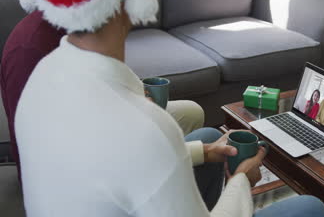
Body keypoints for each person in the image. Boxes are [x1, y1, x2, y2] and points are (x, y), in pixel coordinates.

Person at [14, 0, 324, 217]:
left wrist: (201, 152)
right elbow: (133, 152)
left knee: (209, 139)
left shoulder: (42, 75)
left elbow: (106, 163)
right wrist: (241, 182)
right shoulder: (144, 128)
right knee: (311, 212)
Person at [0, 11, 204, 183]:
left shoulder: (79, 24)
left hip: (97, 125)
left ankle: (175, 172)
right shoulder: (30, 51)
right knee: (207, 141)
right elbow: (50, 147)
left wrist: (132, 98)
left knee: (191, 112)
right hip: (66, 170)